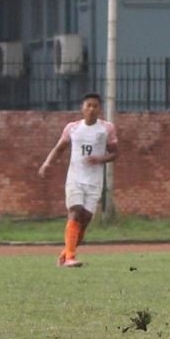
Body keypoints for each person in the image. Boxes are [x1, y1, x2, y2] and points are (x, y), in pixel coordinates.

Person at [37, 92, 118, 267]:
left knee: (86, 219)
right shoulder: (73, 128)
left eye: (95, 106)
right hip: (75, 178)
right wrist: (47, 163)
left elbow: (114, 153)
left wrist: (100, 159)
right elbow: (59, 148)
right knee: (75, 212)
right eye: (88, 105)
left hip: (94, 182)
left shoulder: (107, 128)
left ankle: (66, 254)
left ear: (100, 109)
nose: (91, 109)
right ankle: (71, 257)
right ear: (82, 108)